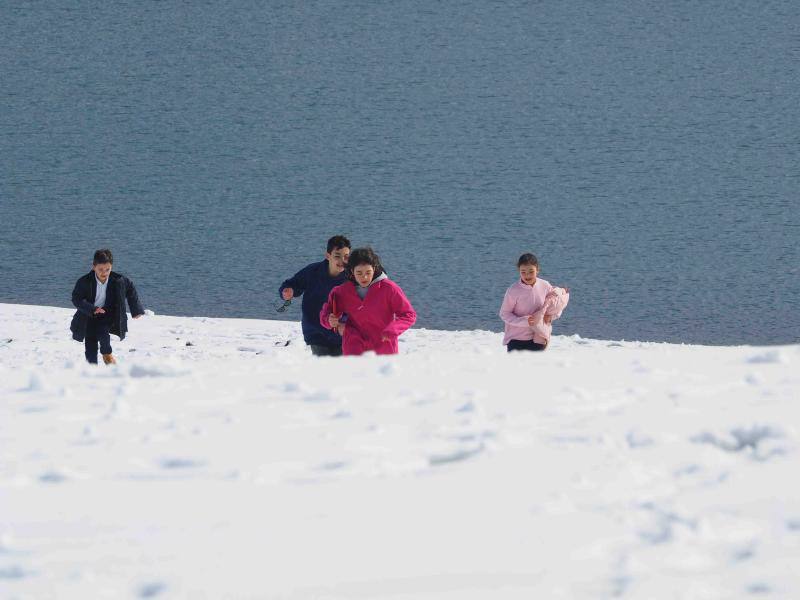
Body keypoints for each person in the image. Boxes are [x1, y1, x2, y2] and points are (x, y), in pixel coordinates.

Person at [320, 247, 416, 356]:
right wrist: (329, 320)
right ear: (352, 271)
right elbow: (327, 313)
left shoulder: (389, 289)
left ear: (374, 269)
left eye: (368, 272)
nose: (364, 277)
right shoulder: (341, 292)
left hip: (384, 349)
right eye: (359, 273)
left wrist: (393, 330)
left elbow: (408, 314)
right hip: (354, 351)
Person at [279, 235, 352, 356]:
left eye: (346, 257)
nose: (341, 261)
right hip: (316, 332)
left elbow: (372, 279)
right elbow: (291, 284)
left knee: (339, 370)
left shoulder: (352, 276)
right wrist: (287, 291)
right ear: (328, 256)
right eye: (337, 256)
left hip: (342, 333)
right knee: (323, 368)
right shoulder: (313, 271)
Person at [70, 249, 145, 365]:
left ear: (111, 267)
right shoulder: (84, 281)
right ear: (93, 267)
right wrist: (92, 309)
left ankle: (107, 355)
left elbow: (130, 289)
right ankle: (91, 367)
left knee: (103, 333)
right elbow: (76, 299)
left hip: (107, 314)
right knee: (90, 343)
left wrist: (136, 309)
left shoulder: (118, 280)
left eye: (107, 269)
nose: (104, 273)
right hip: (88, 314)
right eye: (100, 269)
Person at [499, 253, 570, 352]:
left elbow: (557, 304)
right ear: (519, 271)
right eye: (523, 272)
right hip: (516, 340)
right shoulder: (513, 290)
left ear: (537, 270)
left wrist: (551, 317)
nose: (527, 275)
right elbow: (504, 314)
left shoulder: (545, 285)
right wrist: (525, 321)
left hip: (539, 339)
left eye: (531, 271)